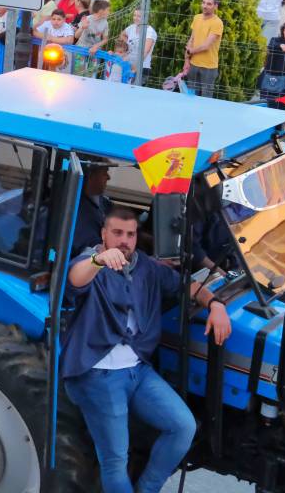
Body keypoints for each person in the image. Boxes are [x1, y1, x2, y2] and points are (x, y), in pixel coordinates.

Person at [62, 208, 230, 493]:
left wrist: (215, 304)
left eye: (130, 234)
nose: (124, 240)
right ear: (103, 234)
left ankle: (147, 489)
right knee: (115, 461)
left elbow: (188, 286)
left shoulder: (146, 267)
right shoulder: (90, 261)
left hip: (137, 370)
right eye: (117, 233)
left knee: (183, 427)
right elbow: (75, 278)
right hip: (99, 374)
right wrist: (98, 259)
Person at [185, 0, 224, 97]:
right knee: (190, 96)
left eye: (209, 4)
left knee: (206, 100)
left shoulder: (217, 23)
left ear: (215, 6)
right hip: (193, 65)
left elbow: (206, 46)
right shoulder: (196, 18)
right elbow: (191, 39)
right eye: (203, 2)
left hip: (209, 67)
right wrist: (187, 61)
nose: (205, 6)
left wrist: (190, 51)